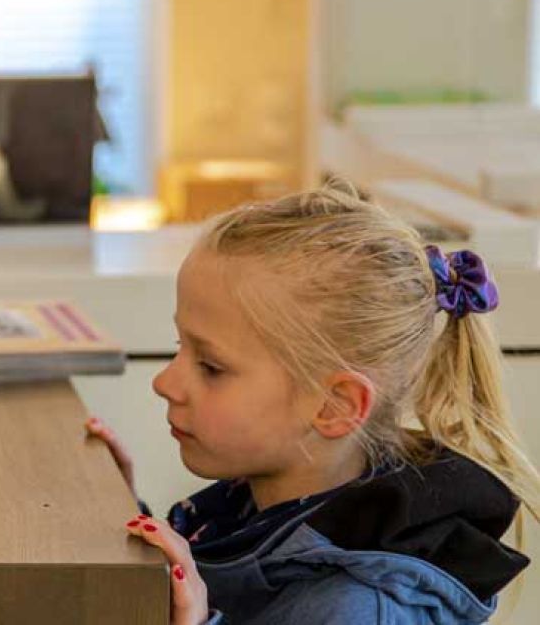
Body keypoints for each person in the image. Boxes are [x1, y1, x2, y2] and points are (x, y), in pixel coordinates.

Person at [87, 181, 538, 624]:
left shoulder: (357, 612)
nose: (166, 382)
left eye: (210, 367)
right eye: (178, 346)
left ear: (335, 406)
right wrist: (127, 517)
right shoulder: (249, 509)